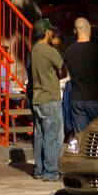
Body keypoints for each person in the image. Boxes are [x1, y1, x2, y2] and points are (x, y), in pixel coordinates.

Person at [28, 19, 64, 182]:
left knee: (39, 134)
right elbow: (62, 70)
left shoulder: (34, 50)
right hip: (50, 97)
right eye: (51, 31)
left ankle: (39, 169)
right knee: (53, 136)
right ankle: (51, 172)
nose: (53, 33)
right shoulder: (50, 51)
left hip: (37, 98)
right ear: (47, 32)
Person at [64, 18, 98, 132]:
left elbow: (65, 72)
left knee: (82, 137)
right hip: (96, 98)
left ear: (75, 31)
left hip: (77, 99)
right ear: (89, 29)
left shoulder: (68, 52)